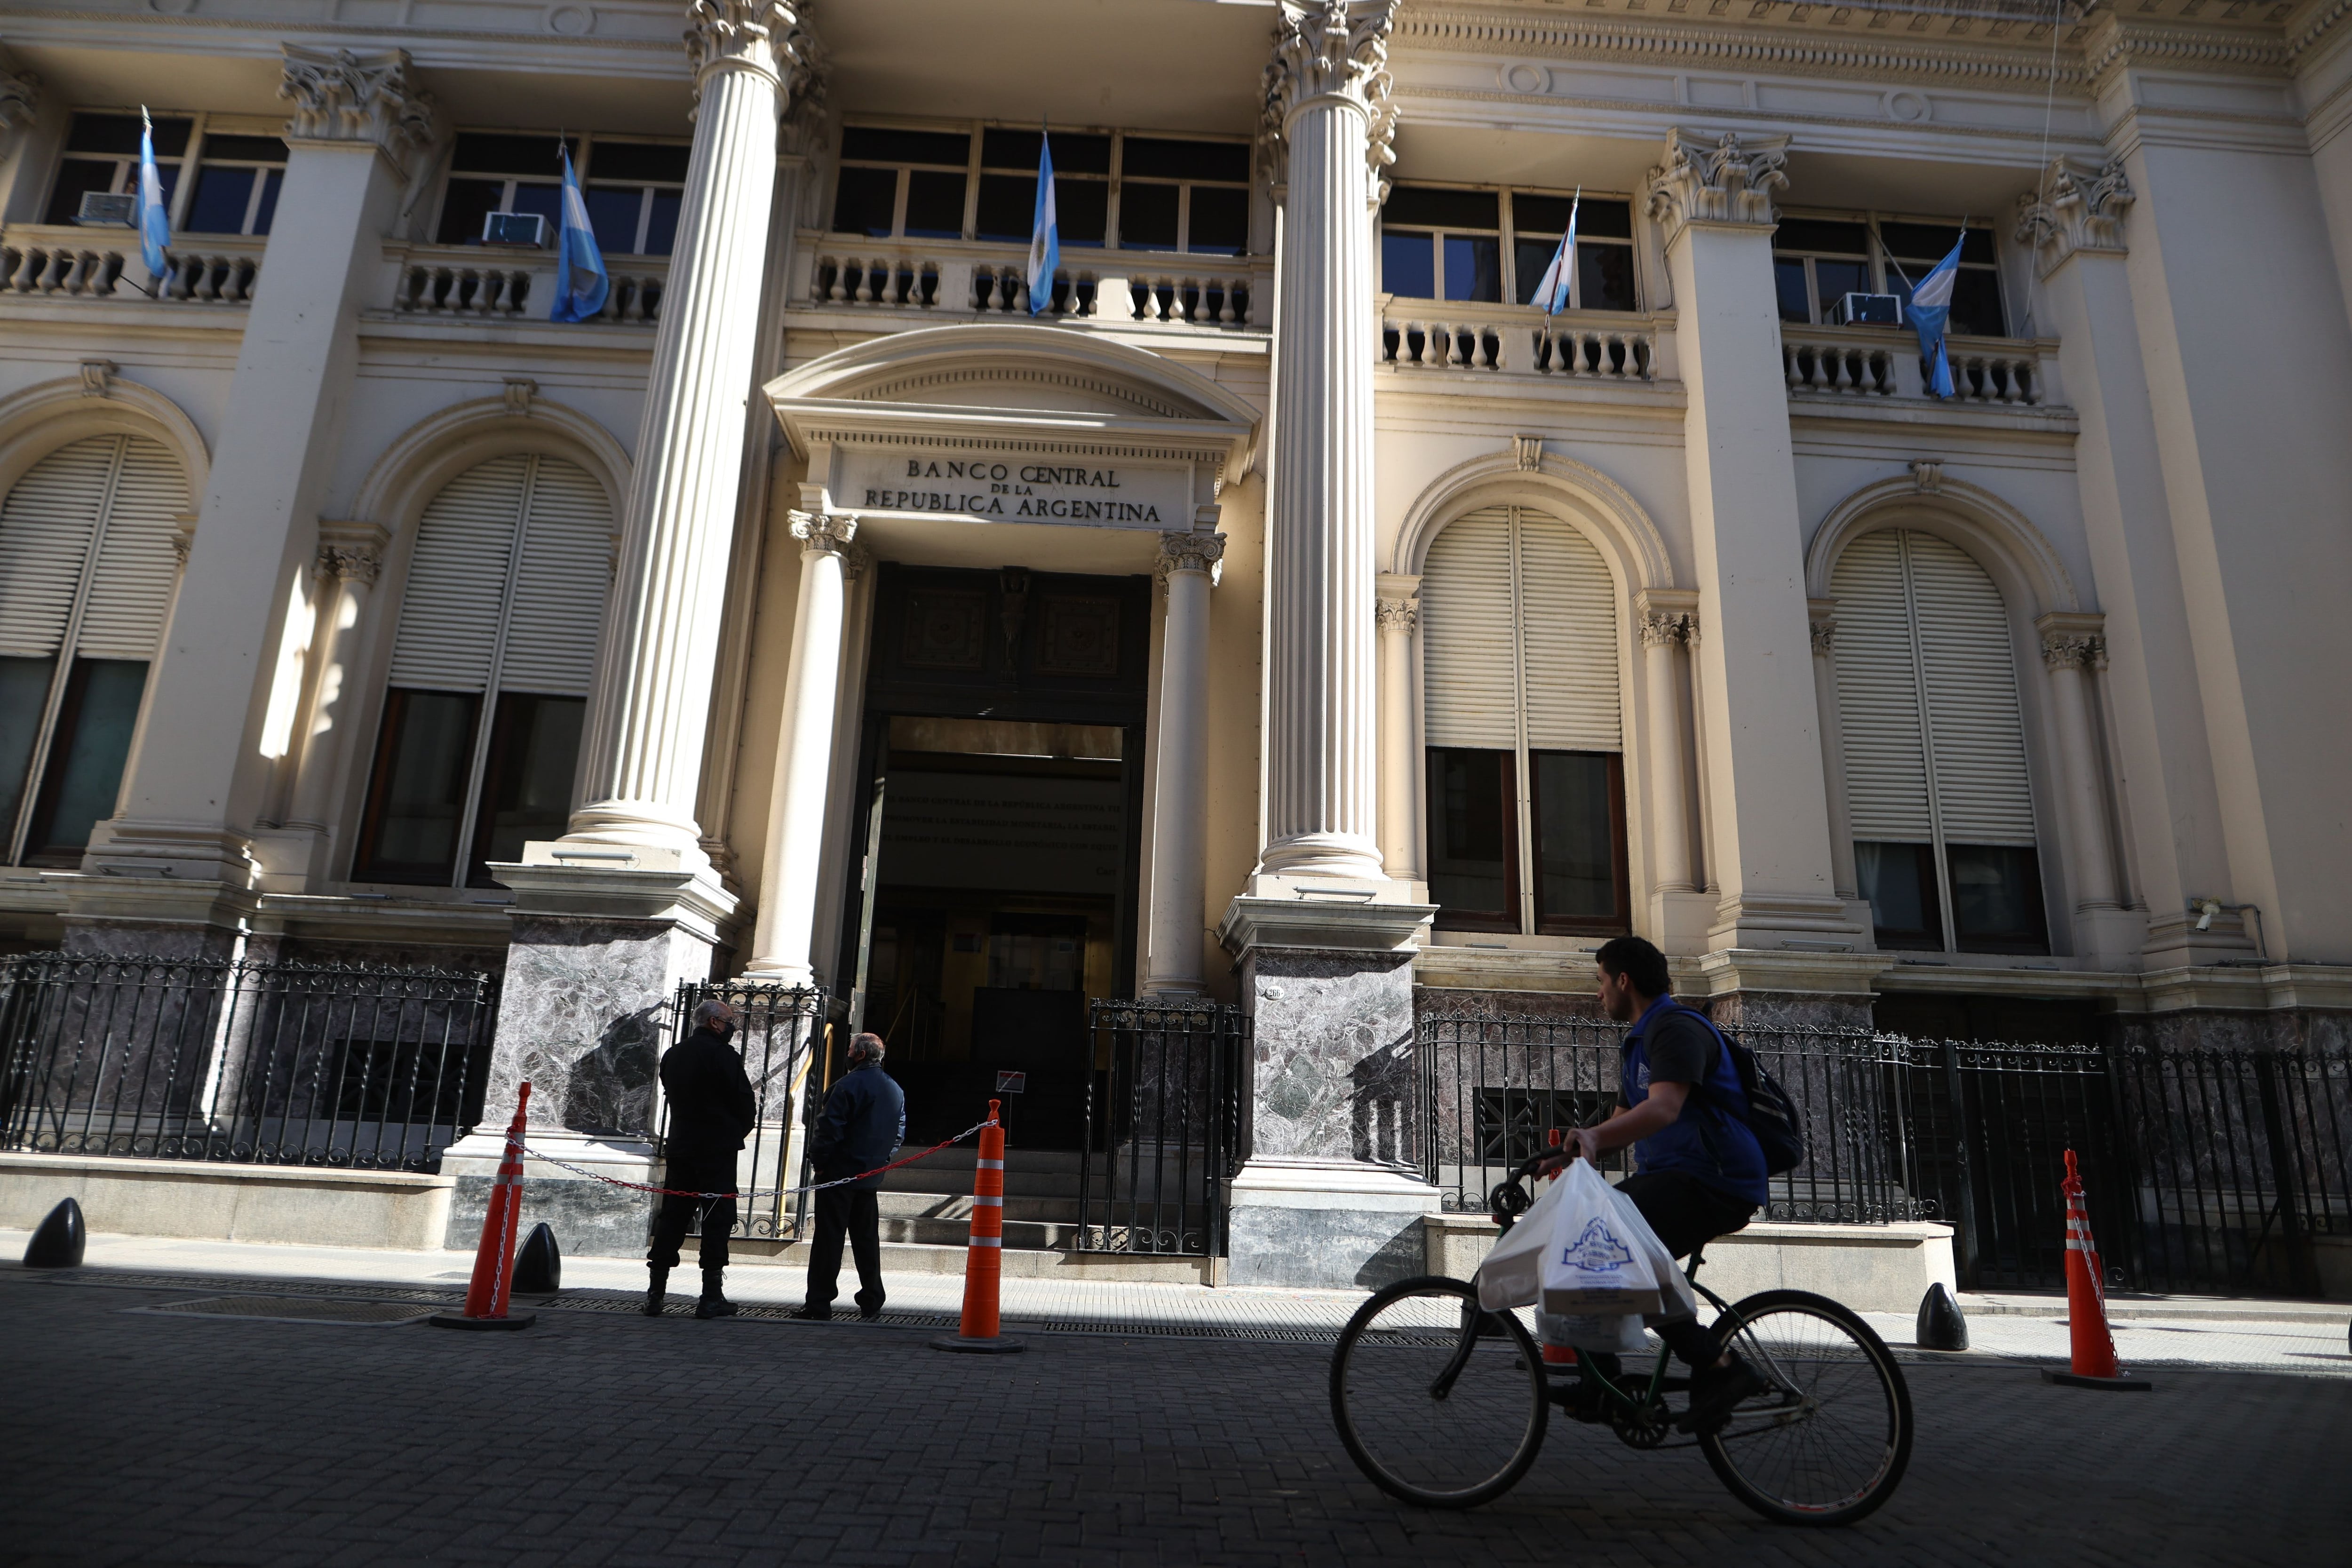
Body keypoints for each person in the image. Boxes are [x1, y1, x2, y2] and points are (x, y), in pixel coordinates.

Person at [1544, 934, 1769, 1433]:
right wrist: (1565, 1153)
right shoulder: (1640, 1040)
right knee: (1592, 1245)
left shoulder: (1674, 1029)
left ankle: (1722, 1367)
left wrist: (1594, 1135)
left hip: (1714, 1179)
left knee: (1601, 1242)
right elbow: (1620, 1125)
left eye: (1600, 982)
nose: (1597, 994)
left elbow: (1663, 1109)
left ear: (1623, 981)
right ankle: (1600, 1384)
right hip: (1679, 1177)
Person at [645, 998, 757, 1320]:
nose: (732, 1027)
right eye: (729, 1021)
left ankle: (655, 1295)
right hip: (717, 1151)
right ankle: (711, 1297)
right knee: (717, 1220)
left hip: (682, 1146)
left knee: (673, 1217)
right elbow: (745, 1104)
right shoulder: (724, 1056)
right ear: (713, 1022)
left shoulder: (673, 1054)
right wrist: (732, 1132)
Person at [794, 1031, 905, 1322]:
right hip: (871, 1174)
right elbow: (899, 1132)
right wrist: (882, 1159)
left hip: (839, 1174)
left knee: (829, 1239)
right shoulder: (894, 1089)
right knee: (866, 1238)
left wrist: (820, 1164)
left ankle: (819, 1303)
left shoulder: (846, 1086)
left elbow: (829, 1130)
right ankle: (872, 1297)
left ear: (860, 1054)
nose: (848, 1053)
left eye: (851, 1048)